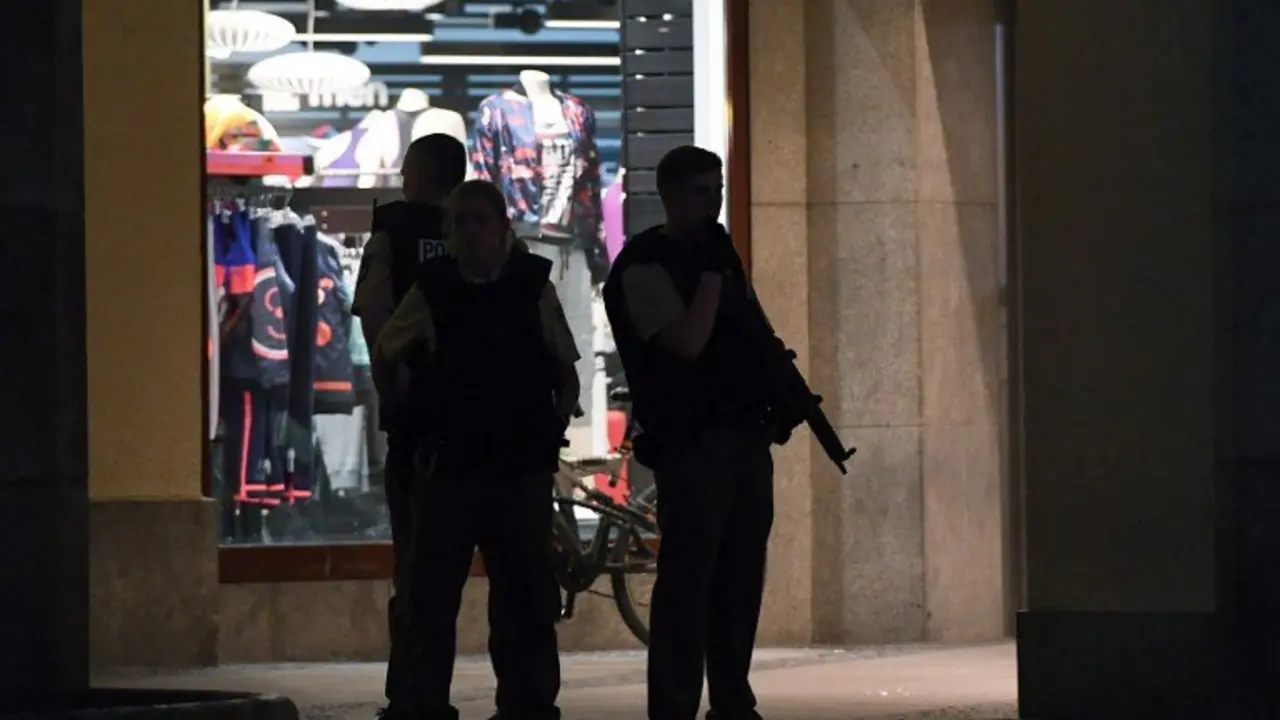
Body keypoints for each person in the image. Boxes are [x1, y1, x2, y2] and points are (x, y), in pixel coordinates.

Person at [373, 179, 579, 720]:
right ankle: (421, 705)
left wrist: (552, 426)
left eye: (479, 221)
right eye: (459, 223)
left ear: (503, 228)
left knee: (526, 597)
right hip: (451, 466)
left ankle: (528, 703)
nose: (469, 233)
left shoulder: (532, 284)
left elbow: (564, 366)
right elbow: (388, 352)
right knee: (429, 599)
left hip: (517, 468)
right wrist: (403, 412)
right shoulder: (434, 287)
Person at [602, 146, 774, 720]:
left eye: (718, 190)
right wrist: (710, 273)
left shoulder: (716, 259)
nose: (714, 203)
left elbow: (750, 332)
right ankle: (674, 705)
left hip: (741, 435)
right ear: (671, 196)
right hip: (690, 442)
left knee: (740, 579)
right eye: (702, 192)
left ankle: (732, 699)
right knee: (688, 584)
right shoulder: (646, 265)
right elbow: (688, 341)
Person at [351, 132, 467, 719]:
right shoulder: (488, 238)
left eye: (407, 166)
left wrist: (393, 390)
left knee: (421, 574)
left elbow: (375, 317)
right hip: (487, 435)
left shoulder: (392, 235)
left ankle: (415, 697)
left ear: (419, 173)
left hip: (421, 432)